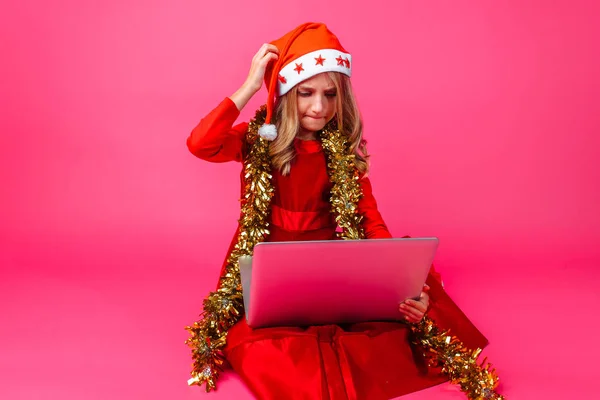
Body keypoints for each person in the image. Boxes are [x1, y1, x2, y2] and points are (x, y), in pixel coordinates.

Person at [186, 22, 488, 400]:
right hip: (268, 269)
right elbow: (200, 144)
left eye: (330, 94)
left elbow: (372, 222)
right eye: (306, 93)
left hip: (333, 270)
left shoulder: (341, 153)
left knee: (390, 332)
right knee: (263, 346)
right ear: (283, 93)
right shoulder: (257, 141)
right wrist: (249, 87)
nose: (319, 107)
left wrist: (405, 285)